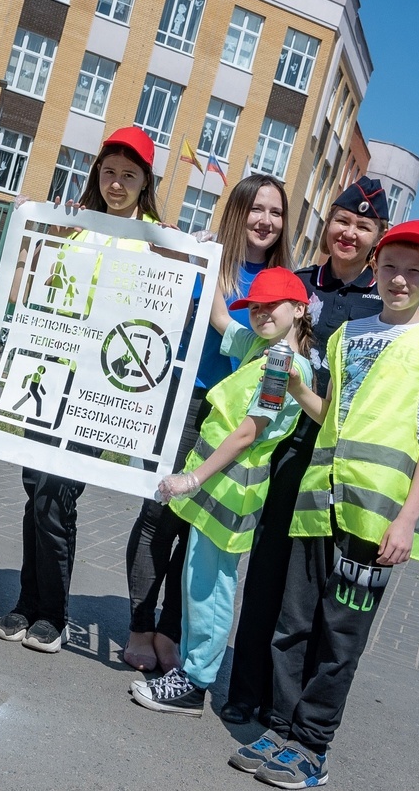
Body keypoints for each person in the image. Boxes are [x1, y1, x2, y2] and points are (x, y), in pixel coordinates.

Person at [231, 220, 419, 790]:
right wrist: (292, 386)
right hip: (319, 501)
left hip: (378, 514)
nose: (400, 280)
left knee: (340, 634)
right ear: (375, 269)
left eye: (414, 271)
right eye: (390, 267)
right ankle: (282, 729)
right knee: (293, 623)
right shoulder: (347, 335)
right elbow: (328, 415)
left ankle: (312, 748)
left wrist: (408, 519)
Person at [220, 176, 389, 724]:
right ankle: (246, 690)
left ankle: (285, 704)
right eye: (342, 220)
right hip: (286, 451)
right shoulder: (294, 283)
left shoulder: (376, 304)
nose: (349, 232)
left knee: (309, 589)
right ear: (327, 224)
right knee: (266, 574)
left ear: (376, 238)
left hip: (337, 463)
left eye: (363, 226)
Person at [0, 125, 160, 654]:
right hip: (48, 376)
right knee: (35, 488)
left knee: (57, 495)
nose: (116, 184)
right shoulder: (74, 226)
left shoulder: (159, 240)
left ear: (145, 182)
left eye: (128, 176)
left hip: (98, 390)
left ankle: (52, 613)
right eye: (108, 172)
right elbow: (28, 286)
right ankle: (25, 600)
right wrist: (29, 238)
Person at [124, 174, 290, 673]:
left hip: (241, 424)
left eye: (276, 213)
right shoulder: (208, 258)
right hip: (190, 404)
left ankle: (170, 632)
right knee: (161, 515)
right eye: (256, 209)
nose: (266, 221)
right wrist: (180, 247)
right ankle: (139, 627)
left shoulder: (284, 281)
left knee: (204, 531)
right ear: (236, 211)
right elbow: (144, 264)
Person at [132, 267, 315, 715]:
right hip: (218, 486)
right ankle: (191, 673)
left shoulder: (283, 364)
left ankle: (195, 682)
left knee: (211, 589)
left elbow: (248, 433)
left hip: (231, 489)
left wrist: (191, 479)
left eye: (272, 305)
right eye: (255, 305)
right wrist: (210, 261)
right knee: (199, 582)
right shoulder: (261, 348)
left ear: (299, 309)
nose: (261, 312)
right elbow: (218, 316)